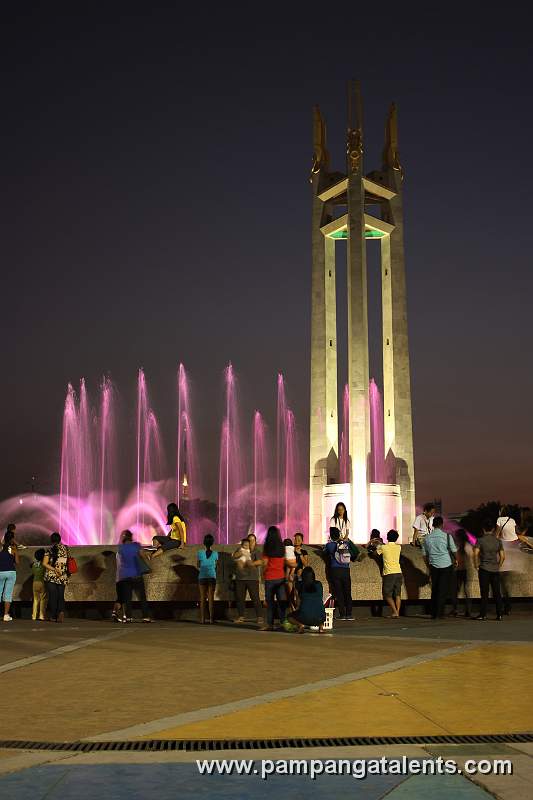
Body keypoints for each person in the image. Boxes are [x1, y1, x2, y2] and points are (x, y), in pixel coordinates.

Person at [421, 516, 457, 619]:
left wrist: (428, 564)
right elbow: (454, 550)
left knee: (435, 588)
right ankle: (439, 613)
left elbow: (424, 554)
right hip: (446, 565)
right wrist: (456, 560)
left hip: (433, 565)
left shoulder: (426, 538)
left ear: (432, 525)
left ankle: (433, 612)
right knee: (443, 590)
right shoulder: (447, 536)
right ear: (442, 525)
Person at [256, 526, 288, 631]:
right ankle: (283, 623)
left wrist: (262, 573)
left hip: (270, 577)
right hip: (280, 577)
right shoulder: (282, 547)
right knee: (281, 602)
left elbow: (265, 563)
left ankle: (269, 624)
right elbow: (284, 561)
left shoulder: (267, 547)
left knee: (270, 603)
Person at [116, 530, 152, 623]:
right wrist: (148, 566)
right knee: (142, 597)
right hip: (136, 575)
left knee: (128, 598)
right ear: (131, 537)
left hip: (125, 576)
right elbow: (143, 556)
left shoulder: (121, 548)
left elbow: (119, 562)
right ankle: (145, 617)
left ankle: (128, 617)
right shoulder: (136, 546)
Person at [325, 527, 359, 620]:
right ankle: (349, 614)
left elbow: (325, 552)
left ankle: (342, 615)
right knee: (347, 592)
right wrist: (346, 539)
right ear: (339, 534)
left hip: (335, 570)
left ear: (331, 535)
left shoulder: (330, 545)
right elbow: (356, 551)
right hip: (345, 570)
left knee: (339, 593)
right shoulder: (346, 544)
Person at [473, 520, 505, 620]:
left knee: (484, 592)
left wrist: (476, 565)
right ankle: (499, 614)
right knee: (497, 593)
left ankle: (483, 614)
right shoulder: (498, 541)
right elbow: (503, 556)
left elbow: (475, 554)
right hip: (495, 570)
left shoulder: (480, 540)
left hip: (484, 569)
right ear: (493, 529)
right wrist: (498, 565)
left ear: (483, 529)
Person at [232, 537, 263, 624]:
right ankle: (241, 616)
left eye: (253, 540)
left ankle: (259, 616)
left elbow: (260, 562)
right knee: (240, 598)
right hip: (240, 578)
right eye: (250, 540)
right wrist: (241, 553)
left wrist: (252, 563)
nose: (251, 542)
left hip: (252, 578)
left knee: (255, 598)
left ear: (255, 542)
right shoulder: (240, 549)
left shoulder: (256, 551)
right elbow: (234, 556)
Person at [286, 567, 326, 633]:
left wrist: (294, 582)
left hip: (305, 618)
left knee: (289, 617)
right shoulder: (319, 584)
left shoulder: (300, 585)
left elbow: (297, 602)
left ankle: (301, 625)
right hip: (321, 618)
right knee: (319, 611)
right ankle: (321, 628)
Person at [43, 532, 70, 623]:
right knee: (60, 596)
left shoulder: (49, 550)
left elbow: (44, 564)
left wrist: (54, 569)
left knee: (53, 596)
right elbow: (67, 561)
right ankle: (61, 612)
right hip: (62, 575)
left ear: (51, 540)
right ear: (60, 540)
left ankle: (53, 615)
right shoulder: (65, 548)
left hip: (51, 576)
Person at [376, 530, 403, 618]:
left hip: (389, 573)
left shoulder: (383, 547)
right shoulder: (399, 547)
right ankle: (397, 612)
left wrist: (375, 543)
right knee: (398, 594)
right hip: (398, 572)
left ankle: (395, 612)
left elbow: (375, 553)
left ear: (387, 537)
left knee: (387, 594)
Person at [449, 528, 472, 617]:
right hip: (466, 570)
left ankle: (455, 609)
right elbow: (471, 558)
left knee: (455, 591)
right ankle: (468, 610)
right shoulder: (468, 546)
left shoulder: (456, 545)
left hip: (457, 570)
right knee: (466, 591)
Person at [198, 534, 218, 624]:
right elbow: (216, 565)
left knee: (202, 598)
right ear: (212, 543)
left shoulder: (200, 553)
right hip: (211, 577)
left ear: (204, 542)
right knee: (211, 598)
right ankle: (211, 619)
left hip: (202, 577)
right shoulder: (215, 553)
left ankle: (202, 619)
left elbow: (198, 565)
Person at [0, 529, 19, 622]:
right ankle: (6, 615)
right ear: (12, 539)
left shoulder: (0, 547)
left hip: (0, 572)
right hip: (11, 572)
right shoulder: (13, 548)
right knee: (8, 594)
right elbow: (17, 562)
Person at [31, 548, 48, 622]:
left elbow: (33, 571)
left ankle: (34, 616)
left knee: (35, 599)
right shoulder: (44, 564)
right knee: (43, 599)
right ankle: (41, 615)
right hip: (42, 582)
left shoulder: (34, 564)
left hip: (35, 582)